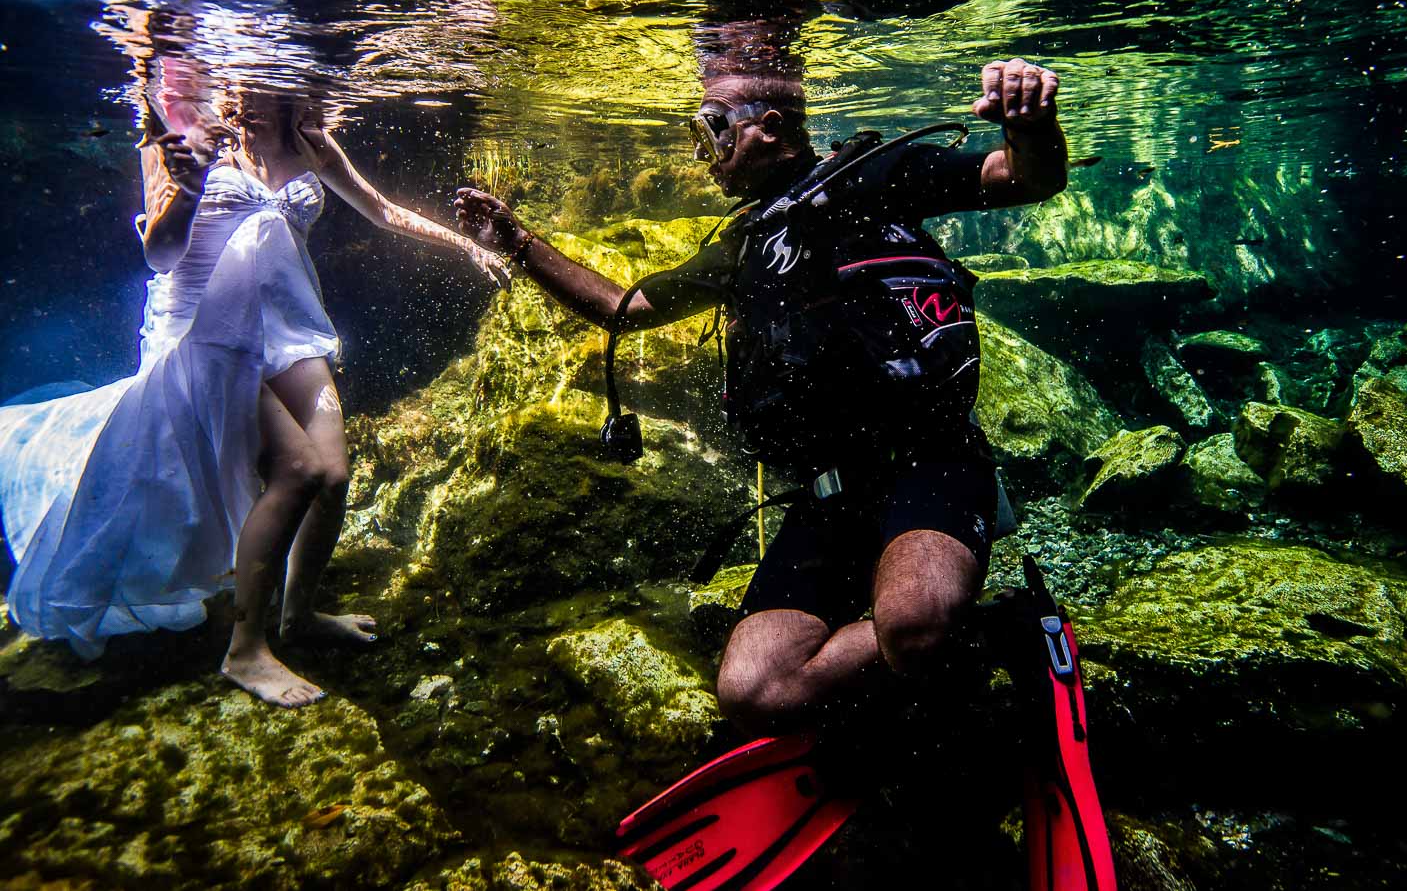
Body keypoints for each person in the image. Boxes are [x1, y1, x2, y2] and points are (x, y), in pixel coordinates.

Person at [454, 56, 1065, 732]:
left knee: (913, 628)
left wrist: (1031, 125)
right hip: (829, 491)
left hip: (931, 460)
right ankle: (954, 628)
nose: (703, 154)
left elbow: (1022, 176)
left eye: (713, 129)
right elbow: (622, 309)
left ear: (769, 127)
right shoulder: (741, 245)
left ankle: (965, 634)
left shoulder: (875, 175)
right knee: (754, 689)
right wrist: (518, 245)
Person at [0, 85, 507, 708]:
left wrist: (468, 244)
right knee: (298, 471)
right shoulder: (173, 134)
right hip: (206, 337)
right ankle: (245, 651)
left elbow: (380, 211)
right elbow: (160, 255)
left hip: (289, 332)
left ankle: (301, 616)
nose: (254, 95)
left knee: (335, 474)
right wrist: (186, 187)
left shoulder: (310, 141)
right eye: (243, 84)